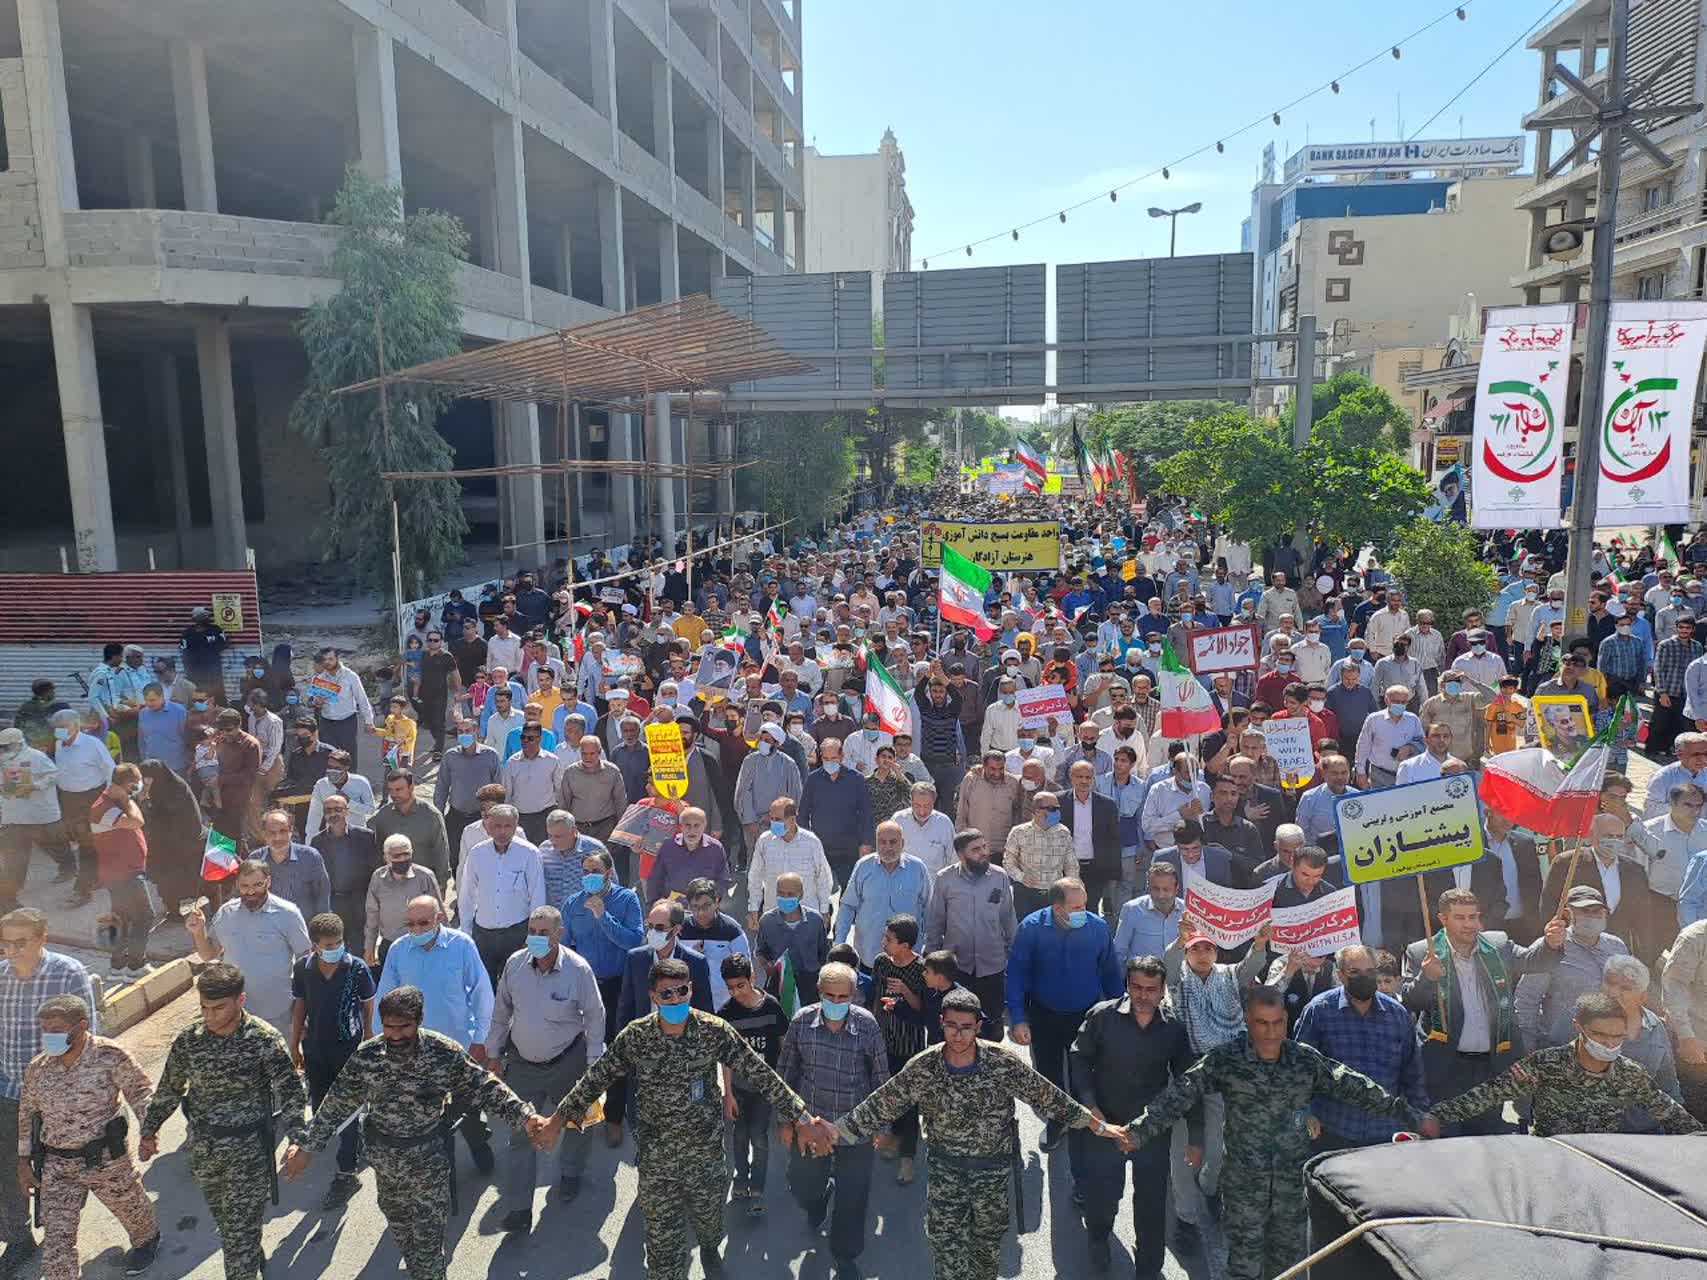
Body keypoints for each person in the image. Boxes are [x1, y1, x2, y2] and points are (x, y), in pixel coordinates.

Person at [541, 956, 831, 1280]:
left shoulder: (713, 1030)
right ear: (653, 996)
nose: (676, 999)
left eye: (682, 991)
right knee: (664, 1258)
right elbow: (596, 1079)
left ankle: (709, 1250)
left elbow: (761, 1074)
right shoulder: (636, 1037)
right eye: (667, 994)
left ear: (691, 990)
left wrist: (801, 1117)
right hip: (658, 1162)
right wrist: (557, 1120)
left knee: (709, 1225)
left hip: (705, 1157)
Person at [1122, 987, 1430, 1280]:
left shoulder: (1305, 1060)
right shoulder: (1227, 1060)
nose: (1270, 1033)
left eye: (1277, 1023)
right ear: (1247, 1021)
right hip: (1245, 1191)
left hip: (1290, 1192)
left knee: (1287, 1269)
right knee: (1244, 1270)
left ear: (1287, 1021)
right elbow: (1181, 1094)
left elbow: (1355, 1087)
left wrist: (1412, 1116)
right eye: (1262, 1023)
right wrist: (1139, 1131)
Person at [826, 988, 1118, 1280]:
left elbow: (1049, 1097)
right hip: (945, 1176)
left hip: (990, 1179)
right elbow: (882, 1103)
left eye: (966, 1028)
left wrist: (1096, 1125)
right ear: (941, 1023)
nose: (958, 1035)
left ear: (978, 1027)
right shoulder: (924, 1066)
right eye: (952, 1026)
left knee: (985, 1264)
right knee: (948, 1262)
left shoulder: (1002, 1062)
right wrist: (835, 1132)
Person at [283, 985, 545, 1277]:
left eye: (404, 1027)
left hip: (427, 1167)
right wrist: (307, 1147)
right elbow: (336, 1104)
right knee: (404, 1236)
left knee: (427, 1251)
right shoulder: (368, 1056)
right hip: (385, 1166)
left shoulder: (443, 1053)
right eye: (389, 1027)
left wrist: (525, 1116)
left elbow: (485, 1087)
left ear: (420, 1019)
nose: (395, 1035)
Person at [138, 964, 308, 1280]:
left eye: (219, 1008)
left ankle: (244, 1260)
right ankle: (250, 1250)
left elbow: (292, 1092)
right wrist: (150, 1129)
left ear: (240, 1001)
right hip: (204, 1150)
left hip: (249, 1154)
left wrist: (299, 1139)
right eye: (204, 1007)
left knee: (236, 1240)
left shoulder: (263, 1040)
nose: (210, 1016)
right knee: (227, 1222)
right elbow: (170, 1087)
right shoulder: (190, 1040)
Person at [1068, 956, 1200, 1276]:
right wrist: (1092, 1110)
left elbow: (1189, 1082)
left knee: (1152, 1205)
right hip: (1105, 1126)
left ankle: (1149, 1265)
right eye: (1137, 987)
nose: (1143, 996)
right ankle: (1098, 1238)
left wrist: (1195, 1137)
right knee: (1102, 1197)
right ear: (1127, 985)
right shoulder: (1102, 1017)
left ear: (1162, 990)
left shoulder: (1174, 1029)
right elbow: (1079, 1060)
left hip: (1152, 1131)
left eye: (1151, 989)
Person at [1402, 887, 1567, 1135]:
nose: (1469, 924)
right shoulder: (1422, 952)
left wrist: (1551, 944)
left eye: (1473, 917)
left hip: (1490, 1065)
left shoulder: (1497, 945)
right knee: (1448, 1142)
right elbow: (1410, 1003)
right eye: (1460, 918)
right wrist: (1427, 977)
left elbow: (1534, 961)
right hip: (1444, 1066)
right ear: (1443, 919)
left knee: (1487, 1139)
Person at [1427, 989, 1701, 1137]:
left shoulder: (1631, 1074)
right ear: (1578, 1027)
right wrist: (1432, 1118)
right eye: (1599, 1035)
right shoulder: (1544, 1065)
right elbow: (1484, 1096)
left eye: (1617, 1037)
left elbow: (1671, 1114)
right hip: (1553, 1163)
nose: (1608, 1044)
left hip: (1602, 1165)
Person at [18, 992, 159, 1278]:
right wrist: (23, 1162)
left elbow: (141, 1092)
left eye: (55, 1030)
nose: (48, 1036)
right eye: (44, 1030)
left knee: (134, 1214)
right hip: (58, 1166)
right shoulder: (38, 1069)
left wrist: (149, 1132)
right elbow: (27, 1114)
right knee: (57, 1245)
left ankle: (147, 1240)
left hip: (106, 1160)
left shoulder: (109, 1056)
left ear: (81, 1025)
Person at [483, 906, 605, 1224]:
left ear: (559, 934)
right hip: (522, 1065)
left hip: (568, 1061)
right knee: (520, 1132)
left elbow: (595, 1016)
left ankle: (570, 1174)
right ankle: (520, 1208)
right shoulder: (514, 965)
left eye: (544, 932)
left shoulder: (578, 970)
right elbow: (501, 1011)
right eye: (532, 932)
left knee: (578, 1122)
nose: (536, 938)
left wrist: (594, 1065)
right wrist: (493, 1054)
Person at [777, 962, 889, 1280]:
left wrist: (881, 1126)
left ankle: (845, 1255)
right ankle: (818, 1199)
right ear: (819, 993)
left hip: (855, 1128)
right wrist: (787, 1121)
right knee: (803, 1186)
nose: (836, 1003)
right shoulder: (801, 1023)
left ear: (854, 995)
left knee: (853, 1198)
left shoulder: (867, 1026)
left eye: (844, 997)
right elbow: (786, 1075)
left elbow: (882, 1079)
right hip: (811, 1126)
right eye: (830, 996)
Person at [0, 909, 99, 1271]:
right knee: (8, 1169)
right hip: (9, 1090)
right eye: (5, 942)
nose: (10, 950)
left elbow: (90, 1036)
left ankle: (56, 1232)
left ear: (43, 938)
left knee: (57, 1171)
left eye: (19, 942)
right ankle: (19, 1239)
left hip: (56, 1096)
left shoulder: (67, 974)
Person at [372, 895, 498, 1175]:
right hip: (413, 1050)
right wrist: (381, 1041)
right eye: (410, 924)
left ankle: (478, 1144)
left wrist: (481, 1039)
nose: (416, 930)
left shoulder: (462, 945)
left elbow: (481, 993)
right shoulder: (398, 951)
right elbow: (384, 997)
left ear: (439, 918)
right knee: (423, 1111)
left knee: (467, 1107)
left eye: (423, 923)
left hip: (458, 1045)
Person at [1005, 877, 1121, 1158]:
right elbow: (1017, 975)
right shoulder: (1031, 929)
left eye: (1085, 904)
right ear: (1058, 909)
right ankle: (1057, 1121)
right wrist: (1019, 1019)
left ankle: (1086, 1124)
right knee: (1049, 1073)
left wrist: (1120, 1012)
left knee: (1084, 1071)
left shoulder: (1097, 927)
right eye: (1077, 906)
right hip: (1045, 1013)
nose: (1085, 910)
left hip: (1086, 1013)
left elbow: (1110, 973)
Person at [1292, 945, 1430, 1151]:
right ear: (1340, 975)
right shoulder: (1319, 1011)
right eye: (1355, 972)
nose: (1363, 977)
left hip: (1386, 1133)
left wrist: (1421, 1118)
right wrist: (1305, 1114)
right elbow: (1298, 1070)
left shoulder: (1398, 1016)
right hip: (1333, 1131)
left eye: (1370, 972)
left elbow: (1413, 1075)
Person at [287, 912, 376, 1209]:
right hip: (314, 1050)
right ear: (314, 946)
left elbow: (368, 1007)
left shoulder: (357, 969)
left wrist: (368, 1042)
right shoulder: (303, 969)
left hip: (348, 1050)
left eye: (339, 942)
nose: (335, 948)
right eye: (328, 944)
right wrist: (295, 1043)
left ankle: (346, 1172)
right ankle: (349, 1139)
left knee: (346, 1111)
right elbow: (300, 1006)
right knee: (321, 1103)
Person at [561, 847, 643, 1148]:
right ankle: (582, 1108)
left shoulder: (626, 900)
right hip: (584, 987)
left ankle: (614, 1118)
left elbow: (634, 940)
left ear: (609, 873)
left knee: (616, 1053)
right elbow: (566, 947)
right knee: (581, 1050)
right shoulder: (572, 904)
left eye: (595, 871)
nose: (590, 877)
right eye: (586, 871)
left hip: (618, 986)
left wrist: (603, 917)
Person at [185, 860, 312, 1033]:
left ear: (268, 881)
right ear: (237, 884)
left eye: (258, 885)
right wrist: (198, 932)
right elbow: (209, 955)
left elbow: (305, 962)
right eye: (245, 886)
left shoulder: (288, 914)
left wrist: (302, 1007)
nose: (251, 891)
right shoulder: (226, 913)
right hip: (235, 1013)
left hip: (277, 1011)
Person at [923, 830, 1016, 1040]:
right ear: (961, 855)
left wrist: (1015, 955)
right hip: (959, 969)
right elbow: (936, 922)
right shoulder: (945, 879)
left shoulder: (999, 876)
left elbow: (1008, 918)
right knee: (957, 1029)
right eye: (976, 849)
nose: (983, 853)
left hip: (992, 967)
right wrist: (932, 961)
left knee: (992, 1030)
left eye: (984, 847)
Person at [717, 953, 789, 1215]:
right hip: (738, 1088)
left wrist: (782, 1086)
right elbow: (725, 1058)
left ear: (752, 979)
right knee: (739, 1136)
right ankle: (741, 1177)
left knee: (759, 1137)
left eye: (741, 985)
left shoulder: (772, 1007)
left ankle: (757, 1188)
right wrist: (728, 1094)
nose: (736, 992)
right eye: (730, 987)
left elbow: (783, 1047)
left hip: (764, 1089)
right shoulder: (726, 1014)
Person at [460, 804, 545, 990]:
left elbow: (537, 896)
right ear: (488, 827)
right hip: (483, 934)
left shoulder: (530, 854)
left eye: (507, 826)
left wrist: (533, 935)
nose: (502, 831)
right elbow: (466, 894)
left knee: (517, 988)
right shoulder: (477, 853)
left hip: (516, 933)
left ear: (516, 827)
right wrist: (467, 932)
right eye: (497, 826)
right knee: (483, 988)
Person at [834, 822, 932, 966]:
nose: (888, 847)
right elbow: (848, 906)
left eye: (893, 842)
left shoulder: (918, 868)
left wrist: (928, 947)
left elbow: (928, 909)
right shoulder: (864, 866)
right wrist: (839, 944)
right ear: (876, 843)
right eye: (883, 842)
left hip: (907, 960)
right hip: (868, 956)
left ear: (902, 843)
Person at [87, 764, 153, 980]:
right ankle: (135, 965)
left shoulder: (112, 803)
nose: (138, 789)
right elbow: (137, 821)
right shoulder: (105, 808)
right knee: (144, 916)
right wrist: (129, 800)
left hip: (121, 872)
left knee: (121, 918)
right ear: (125, 785)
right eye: (135, 786)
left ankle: (117, 966)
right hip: (125, 873)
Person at [0, 728, 63, 913]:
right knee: (15, 861)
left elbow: (54, 775)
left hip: (37, 815)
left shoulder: (37, 757)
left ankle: (67, 867)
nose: (4, 750)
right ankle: (8, 900)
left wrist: (35, 786)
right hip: (12, 818)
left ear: (19, 743)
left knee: (52, 845)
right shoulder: (2, 759)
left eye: (7, 746)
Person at [745, 799, 834, 928]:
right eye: (772, 818)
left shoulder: (811, 842)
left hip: (806, 919)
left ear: (792, 819)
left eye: (778, 819)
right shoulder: (764, 841)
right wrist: (753, 908)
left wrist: (824, 911)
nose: (774, 823)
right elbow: (755, 877)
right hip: (774, 917)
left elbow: (823, 878)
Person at [311, 794, 379, 954]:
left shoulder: (366, 836)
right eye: (328, 810)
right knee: (335, 949)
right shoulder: (317, 842)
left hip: (360, 903)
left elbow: (375, 870)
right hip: (333, 904)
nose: (333, 814)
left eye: (338, 809)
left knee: (360, 949)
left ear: (347, 811)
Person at [364, 836, 443, 974]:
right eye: (396, 855)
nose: (402, 859)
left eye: (406, 854)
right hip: (390, 945)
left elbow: (439, 914)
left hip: (422, 944)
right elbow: (372, 914)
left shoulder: (425, 876)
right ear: (387, 857)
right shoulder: (378, 878)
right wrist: (369, 946)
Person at [755, 874, 830, 1008]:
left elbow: (824, 954)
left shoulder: (815, 920)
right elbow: (760, 952)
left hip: (810, 986)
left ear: (800, 895)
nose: (785, 898)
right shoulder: (767, 921)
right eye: (781, 893)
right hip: (780, 985)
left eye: (790, 894)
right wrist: (769, 968)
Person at [677, 879, 751, 1012]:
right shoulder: (680, 930)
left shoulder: (732, 930)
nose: (701, 913)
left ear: (716, 902)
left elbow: (747, 970)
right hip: (689, 1004)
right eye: (695, 907)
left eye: (706, 906)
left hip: (724, 1006)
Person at [1003, 790, 1078, 919]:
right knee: (1026, 933)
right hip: (1026, 894)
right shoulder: (1018, 832)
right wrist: (1021, 877)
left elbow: (1071, 865)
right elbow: (1008, 862)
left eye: (1057, 808)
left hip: (1055, 894)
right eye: (1052, 808)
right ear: (1037, 810)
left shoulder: (1063, 832)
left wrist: (1071, 888)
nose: (1056, 812)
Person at [369, 771, 451, 885]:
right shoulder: (384, 815)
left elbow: (441, 852)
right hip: (393, 884)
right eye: (390, 790)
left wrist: (441, 884)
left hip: (423, 884)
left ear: (411, 787)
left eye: (398, 789)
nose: (394, 794)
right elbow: (378, 850)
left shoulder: (431, 815)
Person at [253, 809, 332, 922]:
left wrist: (321, 930)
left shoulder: (310, 857)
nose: (277, 837)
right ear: (264, 834)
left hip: (304, 931)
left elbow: (322, 896)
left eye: (283, 831)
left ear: (291, 831)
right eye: (272, 832)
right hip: (268, 933)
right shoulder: (255, 859)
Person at [644, 807, 730, 905]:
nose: (691, 830)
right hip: (673, 907)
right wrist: (653, 903)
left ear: (704, 826)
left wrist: (711, 901)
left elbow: (723, 879)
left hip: (703, 907)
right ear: (680, 827)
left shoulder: (715, 848)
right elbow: (655, 879)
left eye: (696, 825)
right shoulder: (668, 847)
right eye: (687, 825)